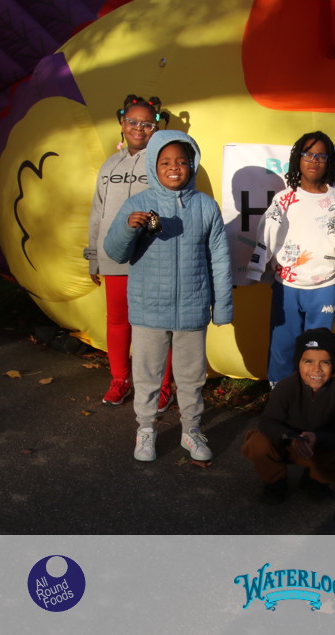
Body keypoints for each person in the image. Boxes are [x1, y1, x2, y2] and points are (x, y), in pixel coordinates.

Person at [104, 130, 233, 463]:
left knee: (192, 377)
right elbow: (115, 252)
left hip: (192, 308)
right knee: (147, 374)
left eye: (181, 161)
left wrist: (221, 306)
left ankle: (191, 430)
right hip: (148, 309)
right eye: (165, 162)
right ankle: (146, 429)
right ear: (153, 166)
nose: (174, 167)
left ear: (192, 165)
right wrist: (128, 227)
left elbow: (219, 259)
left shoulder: (206, 206)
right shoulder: (138, 204)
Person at [247, 131, 335, 386]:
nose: (314, 161)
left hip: (323, 289)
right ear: (297, 159)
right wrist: (256, 267)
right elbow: (266, 232)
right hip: (287, 287)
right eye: (308, 154)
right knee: (282, 345)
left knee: (318, 350)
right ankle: (280, 394)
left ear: (329, 162)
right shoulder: (284, 199)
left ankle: (314, 395)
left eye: (321, 156)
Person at [84, 94, 174, 409]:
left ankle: (163, 385)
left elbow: (173, 209)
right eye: (132, 121)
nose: (139, 128)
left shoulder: (164, 162)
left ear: (157, 127)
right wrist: (94, 256)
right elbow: (97, 212)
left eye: (147, 124)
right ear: (122, 124)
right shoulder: (110, 164)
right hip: (114, 257)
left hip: (151, 260)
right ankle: (119, 380)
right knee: (118, 321)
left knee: (158, 325)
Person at [240, 328, 335, 504]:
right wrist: (291, 438)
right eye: (308, 361)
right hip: (287, 446)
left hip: (317, 450)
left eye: (325, 362)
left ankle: (316, 480)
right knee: (257, 442)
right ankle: (276, 481)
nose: (316, 369)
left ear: (334, 364)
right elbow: (268, 422)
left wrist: (317, 438)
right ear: (298, 362)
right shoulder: (285, 387)